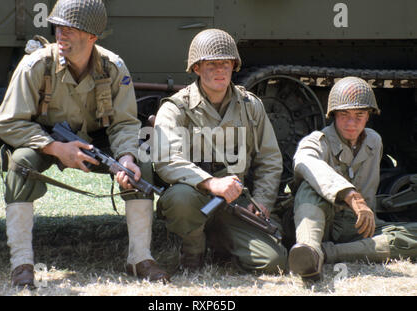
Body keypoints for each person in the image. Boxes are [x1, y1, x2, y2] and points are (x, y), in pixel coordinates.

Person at [0, 0, 169, 287]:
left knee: (141, 170)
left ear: (92, 37)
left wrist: (125, 158)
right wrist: (55, 148)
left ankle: (140, 258)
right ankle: (22, 264)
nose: (61, 35)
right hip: (47, 139)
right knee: (21, 164)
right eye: (58, 27)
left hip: (95, 139)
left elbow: (125, 122)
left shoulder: (113, 67)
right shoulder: (36, 65)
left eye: (71, 29)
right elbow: (7, 122)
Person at [153, 29, 287, 273]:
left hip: (236, 199)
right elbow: (166, 160)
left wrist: (263, 201)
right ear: (196, 68)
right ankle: (192, 251)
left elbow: (269, 158)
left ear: (234, 66)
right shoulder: (176, 108)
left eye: (225, 64)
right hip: (195, 196)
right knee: (179, 199)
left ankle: (218, 242)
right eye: (211, 64)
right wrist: (211, 183)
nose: (219, 70)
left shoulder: (250, 106)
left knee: (273, 261)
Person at [289, 76, 417, 281]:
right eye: (344, 115)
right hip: (321, 222)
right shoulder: (317, 141)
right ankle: (310, 250)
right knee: (310, 187)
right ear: (333, 116)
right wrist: (350, 195)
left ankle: (329, 253)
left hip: (358, 226)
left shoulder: (374, 141)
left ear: (368, 116)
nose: (351, 123)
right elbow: (304, 161)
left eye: (359, 115)